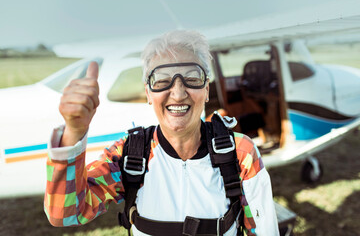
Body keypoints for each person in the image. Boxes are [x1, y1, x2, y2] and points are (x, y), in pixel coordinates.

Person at [44, 30, 279, 236]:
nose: (177, 94)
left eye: (191, 78)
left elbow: (264, 229)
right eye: (162, 81)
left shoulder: (240, 153)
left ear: (206, 90)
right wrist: (74, 132)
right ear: (148, 93)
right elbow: (65, 214)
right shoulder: (129, 153)